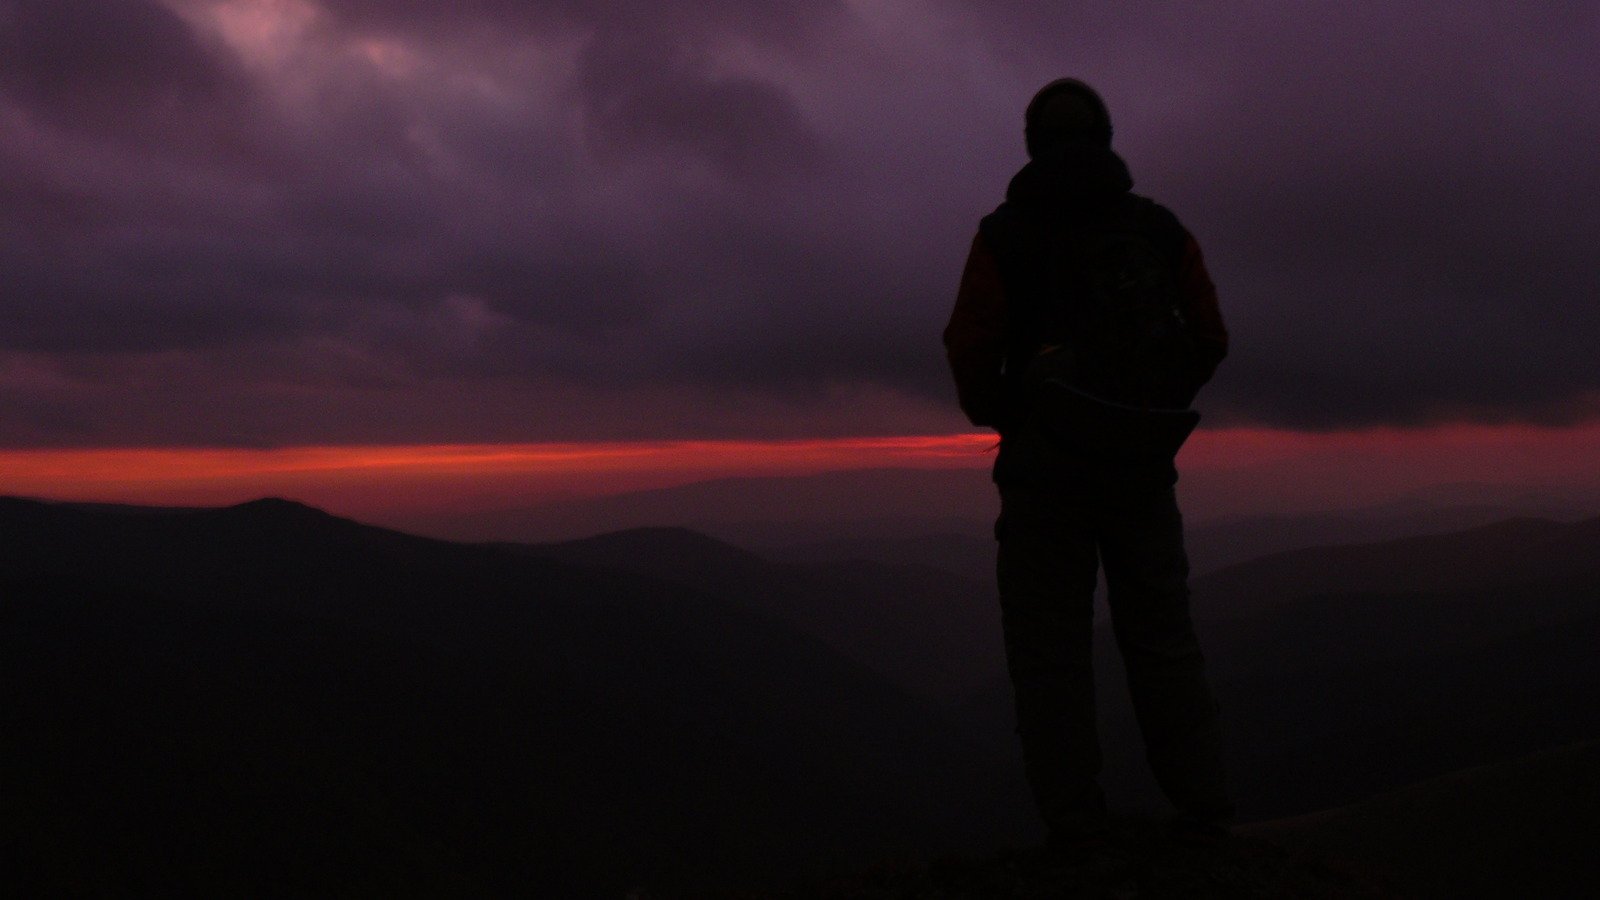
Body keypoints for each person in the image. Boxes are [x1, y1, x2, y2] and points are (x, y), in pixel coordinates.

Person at [943, 78, 1233, 849]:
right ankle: (1205, 810)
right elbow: (1209, 338)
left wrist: (1019, 415)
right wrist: (1151, 405)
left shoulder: (1002, 237)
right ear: (1106, 139)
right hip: (1140, 467)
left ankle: (1075, 829)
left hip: (1044, 480)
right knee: (1163, 638)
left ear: (1032, 144)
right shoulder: (1160, 230)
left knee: (1050, 655)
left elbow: (970, 353)